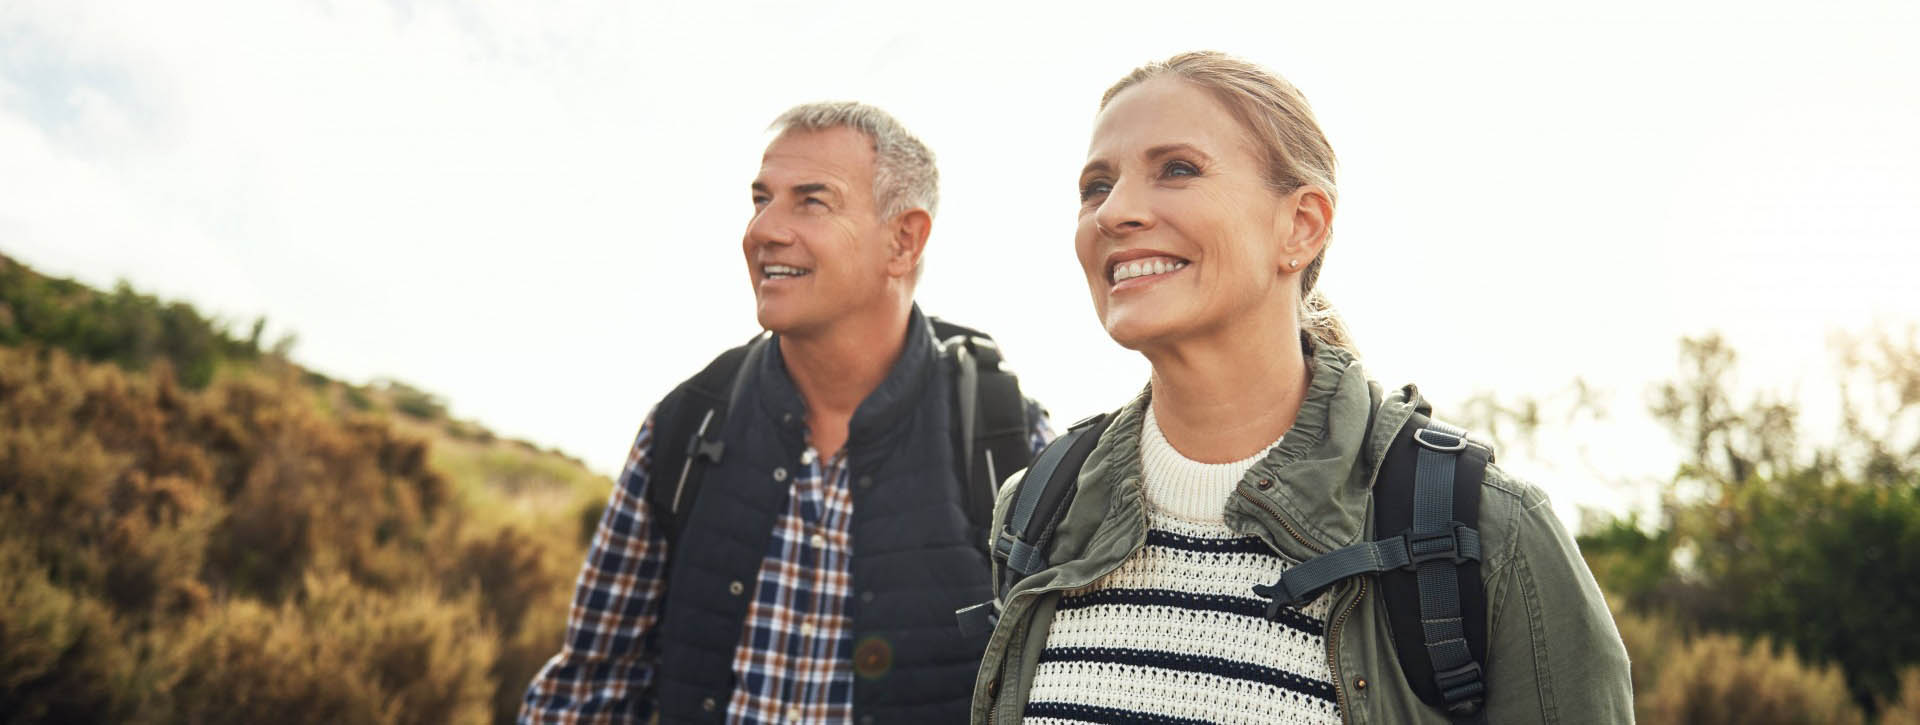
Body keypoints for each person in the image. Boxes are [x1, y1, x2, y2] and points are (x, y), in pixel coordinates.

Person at [968, 52, 1633, 724]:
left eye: (1177, 169)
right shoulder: (1036, 510)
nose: (1116, 212)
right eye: (1096, 186)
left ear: (1302, 226)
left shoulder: (1490, 535)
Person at [522, 101, 1052, 724]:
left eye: (811, 200)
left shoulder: (1007, 440)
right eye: (760, 199)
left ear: (903, 240)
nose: (762, 230)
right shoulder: (687, 423)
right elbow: (589, 692)